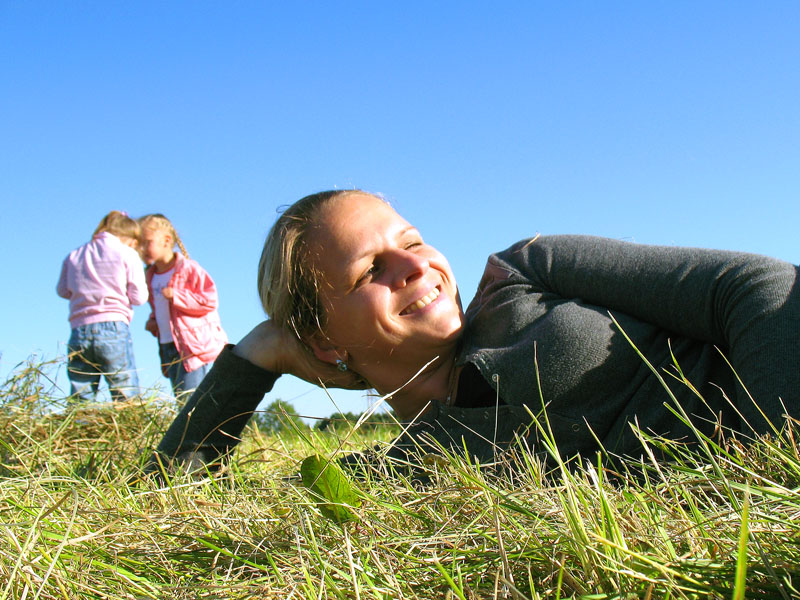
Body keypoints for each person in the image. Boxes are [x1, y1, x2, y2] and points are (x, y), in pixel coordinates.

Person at [147, 190, 799, 475]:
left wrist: (768, 463)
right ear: (323, 342)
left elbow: (755, 288)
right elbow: (171, 487)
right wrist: (256, 356)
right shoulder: (403, 469)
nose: (415, 265)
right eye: (371, 269)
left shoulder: (527, 269)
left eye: (413, 240)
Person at [57, 210, 148, 402]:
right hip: (113, 327)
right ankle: (128, 428)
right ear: (129, 238)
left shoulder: (74, 255)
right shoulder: (127, 253)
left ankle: (79, 428)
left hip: (79, 330)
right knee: (124, 388)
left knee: (81, 392)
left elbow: (63, 290)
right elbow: (139, 297)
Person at [139, 214, 227, 398]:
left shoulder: (187, 269)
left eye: (146, 242)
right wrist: (153, 321)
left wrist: (177, 296)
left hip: (190, 346)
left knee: (191, 400)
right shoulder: (150, 275)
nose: (142, 249)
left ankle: (199, 427)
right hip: (167, 344)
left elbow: (210, 300)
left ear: (166, 241)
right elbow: (159, 309)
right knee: (181, 397)